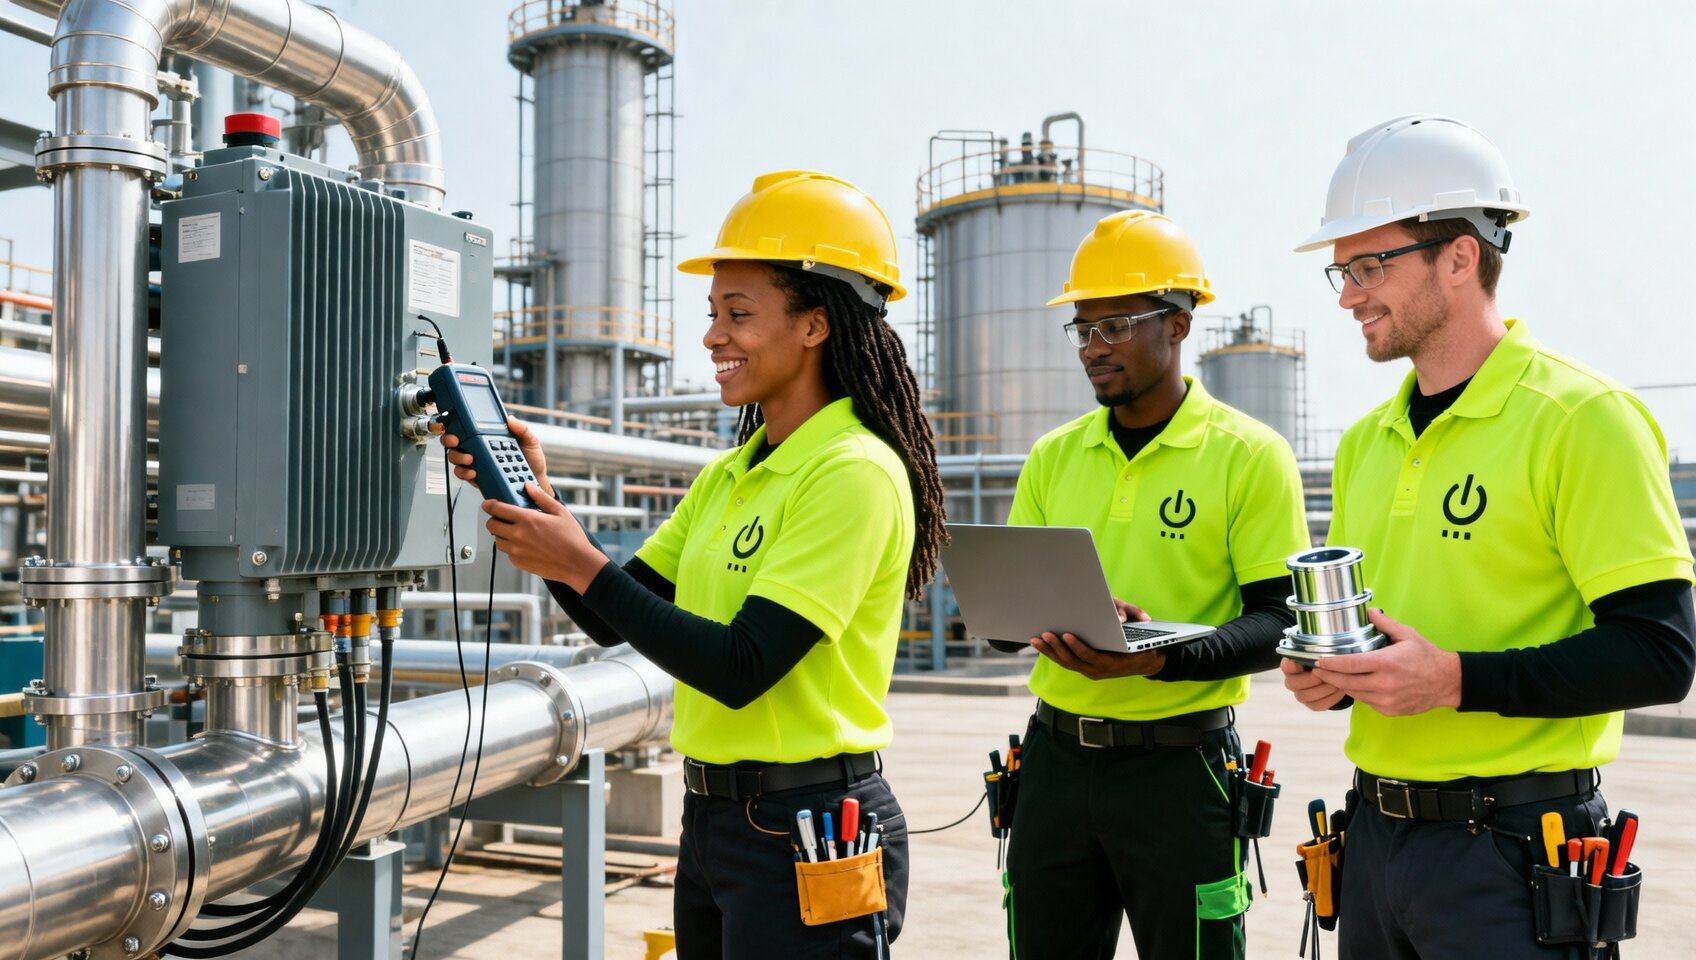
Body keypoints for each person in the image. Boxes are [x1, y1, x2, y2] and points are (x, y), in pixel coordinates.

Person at [444, 170, 947, 958]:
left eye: (738, 315)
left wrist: (579, 561)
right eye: (713, 314)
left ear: (815, 325)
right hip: (713, 818)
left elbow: (742, 666)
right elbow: (608, 612)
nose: (713, 337)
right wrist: (535, 504)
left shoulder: (853, 472)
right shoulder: (730, 474)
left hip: (809, 821)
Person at [1284, 114, 1696, 959]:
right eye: (1342, 270)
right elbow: (1390, 633)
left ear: (1460, 257)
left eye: (1369, 266)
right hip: (1374, 838)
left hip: (1514, 852)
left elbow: (1661, 653)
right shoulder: (1365, 443)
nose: (1348, 295)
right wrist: (1332, 676)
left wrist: (1453, 681)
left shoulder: (1583, 419)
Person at [1002, 209, 1310, 959]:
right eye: (1083, 329)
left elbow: (1279, 622)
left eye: (1115, 326)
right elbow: (1006, 624)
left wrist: (1156, 655)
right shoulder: (1052, 457)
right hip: (1054, 762)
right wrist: (1038, 618)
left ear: (1178, 324)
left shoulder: (1249, 455)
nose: (1093, 348)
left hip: (1182, 770)